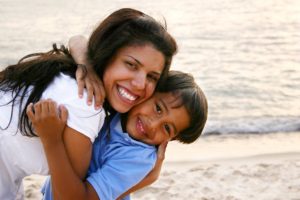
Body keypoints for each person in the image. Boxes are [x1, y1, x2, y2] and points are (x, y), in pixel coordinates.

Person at [0, 8, 177, 199]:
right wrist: (145, 179)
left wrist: (85, 62)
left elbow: (77, 40)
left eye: (151, 76)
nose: (140, 84)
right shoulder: (86, 103)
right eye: (131, 65)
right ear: (107, 53)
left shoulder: (69, 71)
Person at [27, 71, 208, 200]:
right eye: (158, 108)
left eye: (167, 128)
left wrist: (52, 140)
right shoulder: (119, 110)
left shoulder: (139, 158)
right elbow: (78, 43)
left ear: (170, 140)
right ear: (147, 93)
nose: (152, 125)